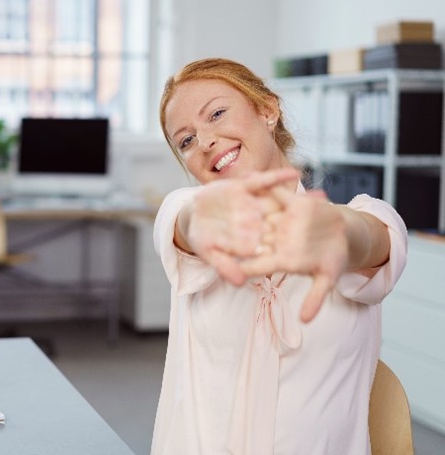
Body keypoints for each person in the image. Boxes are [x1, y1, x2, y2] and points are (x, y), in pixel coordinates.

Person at [150, 58, 407, 455]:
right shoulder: (183, 210)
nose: (204, 142)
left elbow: (371, 239)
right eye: (186, 141)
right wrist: (206, 223)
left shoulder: (367, 216)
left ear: (267, 111)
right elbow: (185, 223)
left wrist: (335, 233)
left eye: (217, 114)